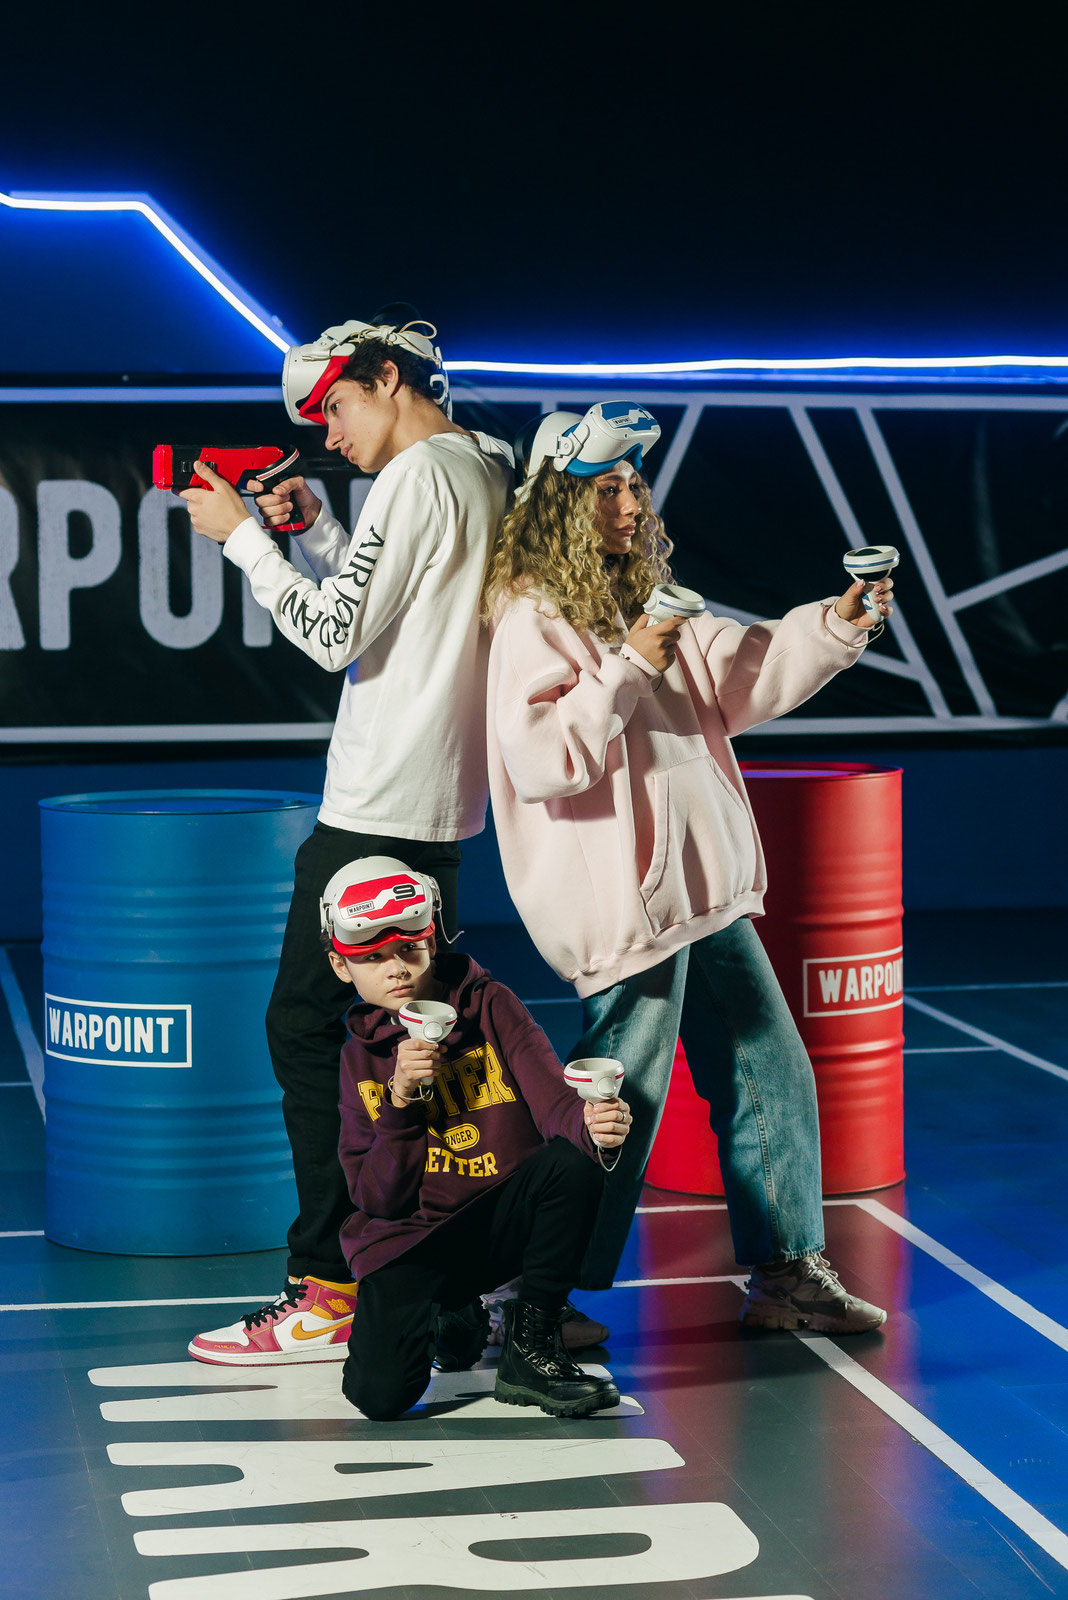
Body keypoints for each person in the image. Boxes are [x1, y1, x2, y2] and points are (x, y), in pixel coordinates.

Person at [482, 401, 891, 1335]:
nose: (631, 503)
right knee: (618, 1099)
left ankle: (787, 1270)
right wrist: (627, 666)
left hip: (699, 897)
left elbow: (742, 671)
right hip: (626, 909)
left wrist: (836, 622)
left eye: (634, 485)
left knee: (769, 1070)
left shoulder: (642, 594)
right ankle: (529, 1294)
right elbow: (543, 760)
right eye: (607, 488)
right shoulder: (531, 616)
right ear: (559, 504)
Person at [180, 311, 514, 1365]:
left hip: (379, 809)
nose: (327, 435)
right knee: (422, 1044)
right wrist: (320, 532)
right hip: (437, 807)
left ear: (387, 377)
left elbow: (334, 636)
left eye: (336, 407)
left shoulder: (416, 478)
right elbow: (407, 614)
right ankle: (445, 1289)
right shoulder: (481, 464)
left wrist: (241, 537)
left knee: (307, 1030)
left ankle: (329, 1284)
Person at [322, 855, 631, 1419]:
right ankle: (453, 1312)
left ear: (432, 939)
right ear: (341, 967)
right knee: (378, 1397)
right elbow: (377, 1200)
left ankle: (531, 1348)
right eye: (371, 957)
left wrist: (593, 1127)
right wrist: (400, 1101)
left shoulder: (490, 1005)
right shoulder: (356, 1060)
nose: (396, 970)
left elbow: (554, 1102)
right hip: (412, 1240)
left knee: (574, 1162)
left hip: (496, 1217)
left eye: (408, 949)